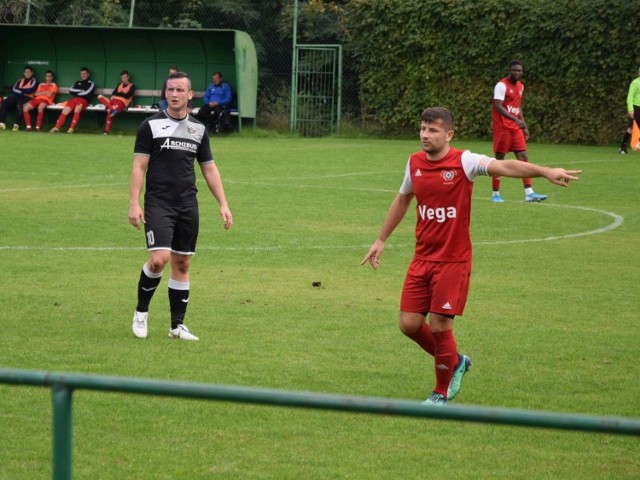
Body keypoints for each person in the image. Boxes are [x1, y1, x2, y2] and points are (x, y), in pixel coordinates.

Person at [360, 107, 581, 406]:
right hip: (422, 259)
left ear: (449, 134)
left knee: (440, 325)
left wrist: (544, 172)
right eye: (423, 129)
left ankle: (440, 392)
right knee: (409, 324)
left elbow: (506, 167)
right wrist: (381, 239)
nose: (425, 135)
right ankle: (457, 361)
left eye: (433, 130)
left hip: (453, 261)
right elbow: (403, 198)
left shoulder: (465, 161)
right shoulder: (414, 163)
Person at [128, 71, 233, 341]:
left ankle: (176, 327)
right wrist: (134, 203)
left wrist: (223, 203)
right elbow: (140, 166)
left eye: (179, 90)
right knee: (158, 259)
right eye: (170, 89)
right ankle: (141, 312)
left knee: (183, 263)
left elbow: (209, 169)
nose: (174, 94)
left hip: (187, 204)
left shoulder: (198, 129)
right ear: (165, 93)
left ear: (189, 95)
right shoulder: (150, 126)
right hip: (158, 203)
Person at [490, 60, 547, 203]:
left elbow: (518, 106)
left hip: (515, 128)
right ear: (509, 70)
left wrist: (524, 125)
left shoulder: (521, 86)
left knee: (523, 157)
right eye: (514, 70)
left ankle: (529, 193)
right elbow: (498, 106)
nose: (517, 73)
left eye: (519, 71)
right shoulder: (501, 85)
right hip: (502, 128)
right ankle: (495, 194)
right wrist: (515, 120)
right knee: (499, 160)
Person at [50, 66, 96, 134]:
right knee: (65, 110)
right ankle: (56, 127)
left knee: (77, 109)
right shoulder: (77, 83)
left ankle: (71, 129)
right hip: (74, 99)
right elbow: (71, 90)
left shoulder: (91, 83)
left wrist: (77, 92)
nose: (83, 75)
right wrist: (81, 90)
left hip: (83, 100)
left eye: (85, 74)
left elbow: (87, 93)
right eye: (82, 74)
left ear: (88, 74)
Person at [97, 70, 136, 135]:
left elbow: (127, 95)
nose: (124, 79)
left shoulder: (132, 86)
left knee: (109, 110)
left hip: (122, 102)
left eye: (125, 77)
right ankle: (114, 110)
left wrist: (118, 94)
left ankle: (106, 131)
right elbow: (113, 93)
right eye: (122, 77)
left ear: (128, 77)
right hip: (113, 101)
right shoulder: (119, 84)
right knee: (99, 96)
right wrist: (120, 94)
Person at [0, 65, 38, 131]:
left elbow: (30, 90)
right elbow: (14, 89)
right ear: (24, 73)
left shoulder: (34, 81)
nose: (27, 73)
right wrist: (23, 92)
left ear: (32, 73)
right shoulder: (20, 80)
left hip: (27, 98)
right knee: (5, 102)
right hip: (17, 97)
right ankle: (2, 124)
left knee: (19, 104)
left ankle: (16, 125)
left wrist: (20, 91)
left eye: (29, 72)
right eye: (26, 72)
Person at [619, 67, 640, 154]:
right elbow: (630, 97)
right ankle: (623, 147)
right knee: (631, 128)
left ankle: (637, 145)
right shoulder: (635, 82)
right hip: (636, 108)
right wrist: (630, 109)